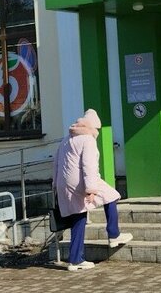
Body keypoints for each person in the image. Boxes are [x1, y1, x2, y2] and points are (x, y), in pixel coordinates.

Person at [52, 109, 132, 271]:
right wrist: (91, 189)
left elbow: (56, 163)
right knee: (112, 195)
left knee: (79, 216)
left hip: (64, 183)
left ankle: (75, 260)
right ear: (93, 127)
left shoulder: (66, 139)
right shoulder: (87, 139)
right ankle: (113, 234)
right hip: (81, 181)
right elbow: (89, 165)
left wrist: (55, 185)